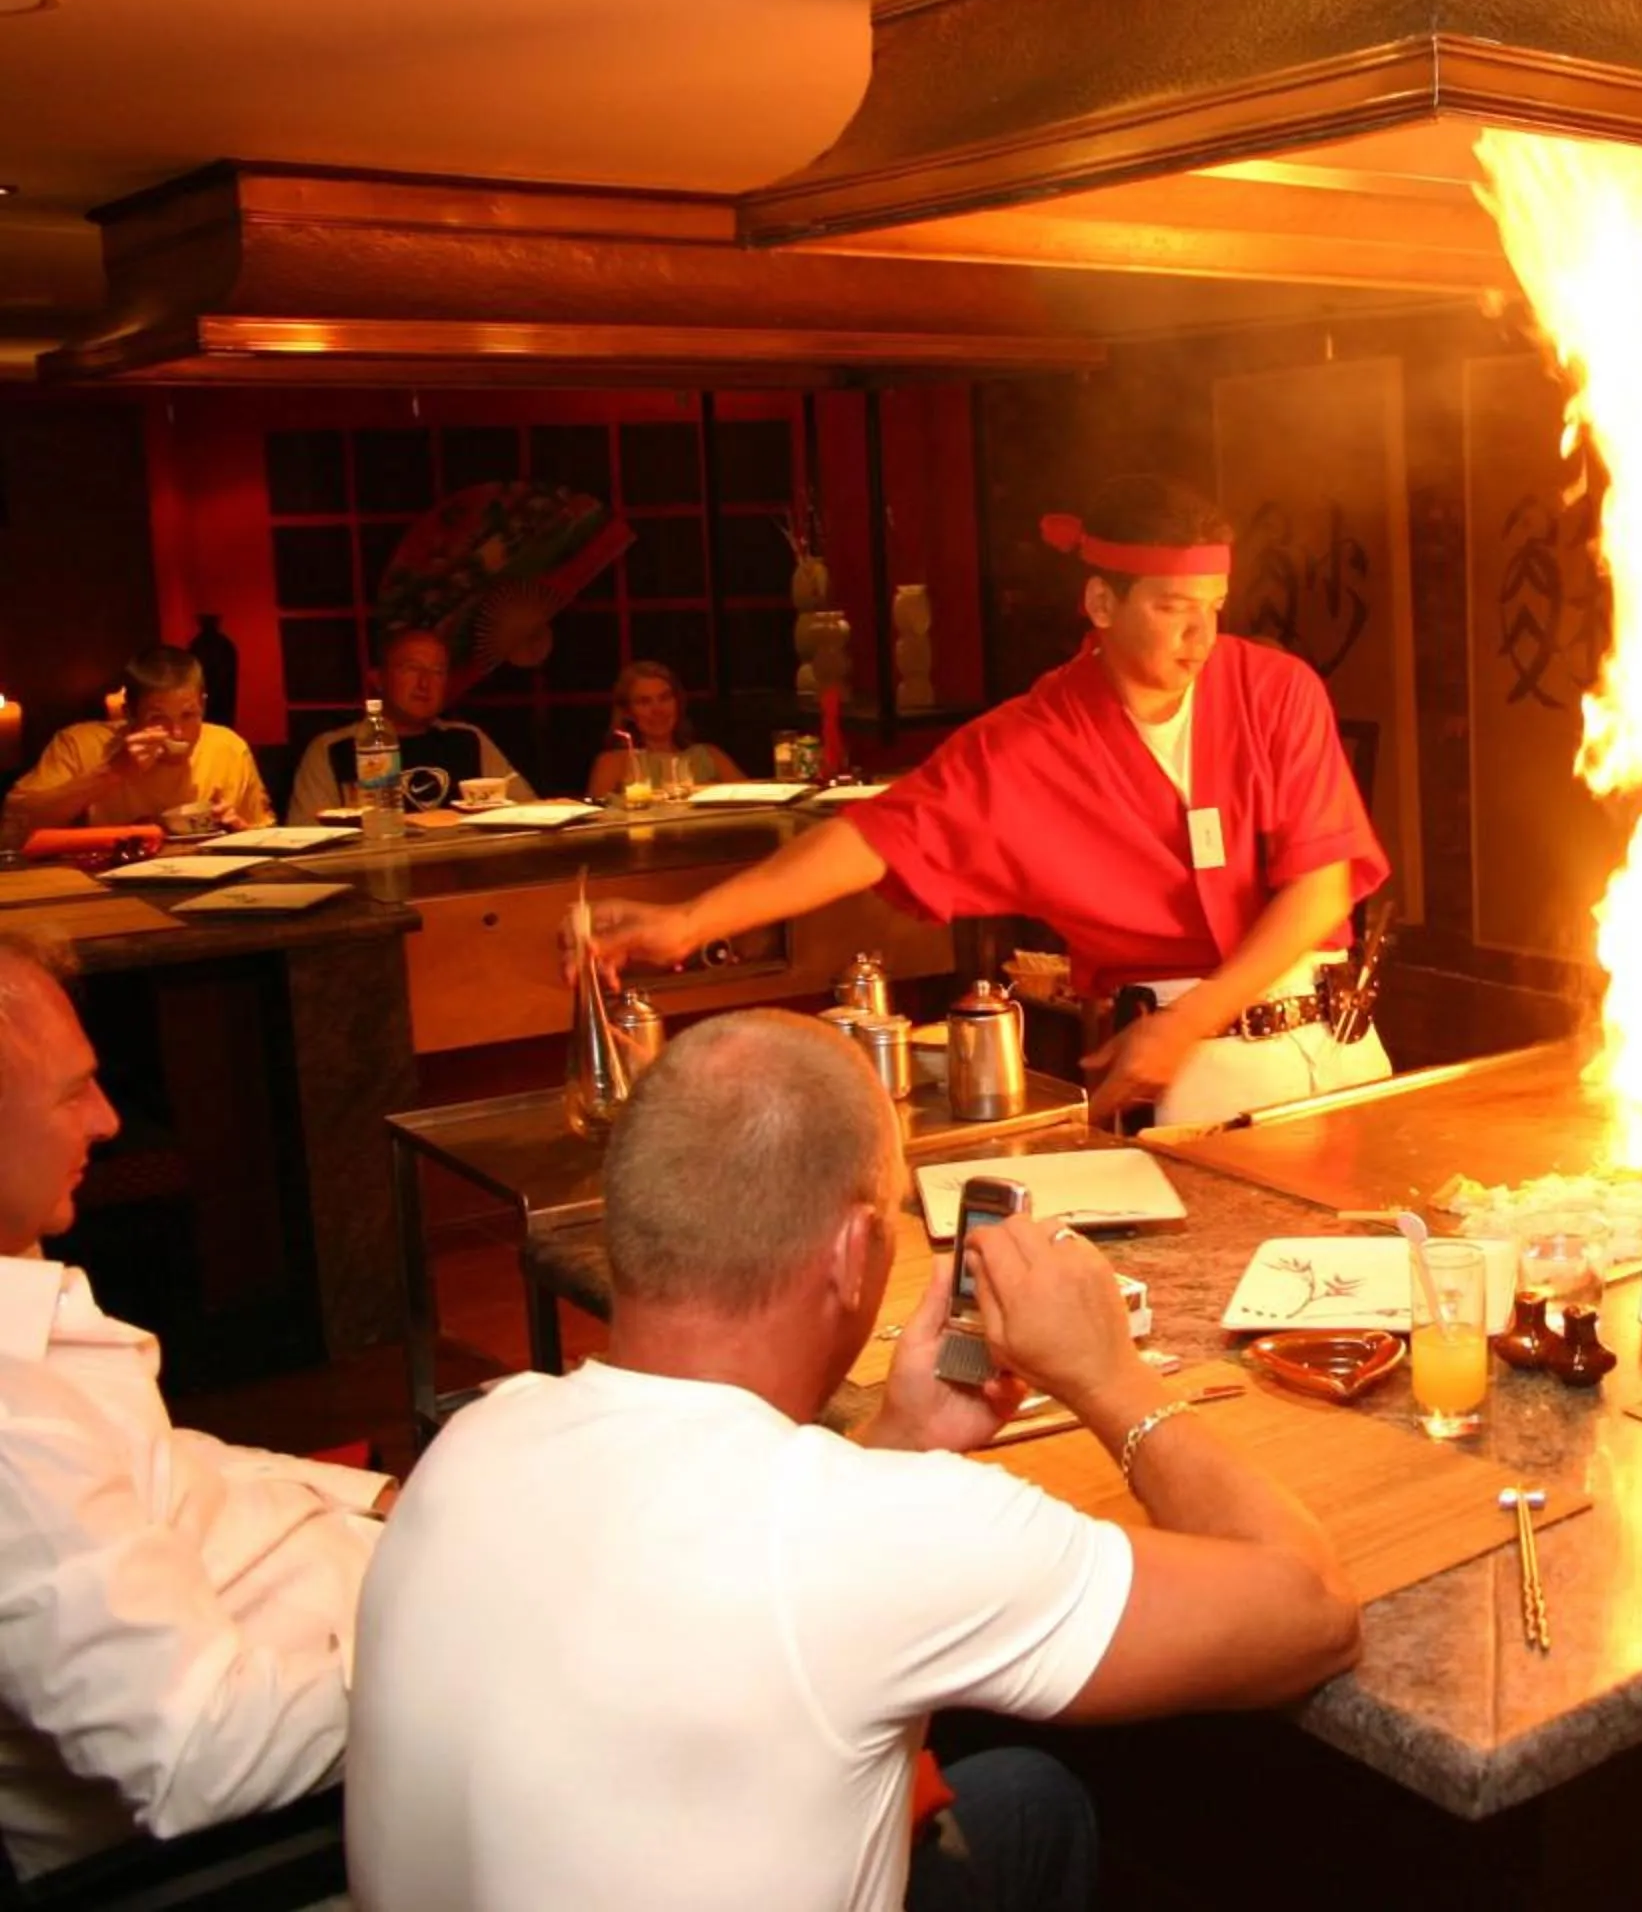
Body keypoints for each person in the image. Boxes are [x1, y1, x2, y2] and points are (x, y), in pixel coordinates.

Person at [344, 1008, 1360, 1912]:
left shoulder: (475, 1437)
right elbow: (1310, 1612)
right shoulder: (879, 1535)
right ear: (850, 1251)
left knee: (1024, 1800)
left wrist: (898, 1439)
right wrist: (1109, 1375)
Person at [586, 476, 1392, 1126]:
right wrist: (688, 922)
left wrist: (1193, 1020)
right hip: (1177, 1071)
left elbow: (1321, 883)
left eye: (1214, 607)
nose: (1201, 638)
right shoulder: (1030, 740)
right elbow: (875, 836)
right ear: (1103, 605)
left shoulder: (1275, 690)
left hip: (1338, 1039)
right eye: (1173, 610)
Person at [0, 929, 392, 1884]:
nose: (107, 1120)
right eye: (70, 1093)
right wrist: (474, 1633)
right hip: (292, 1826)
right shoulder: (13, 1432)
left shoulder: (21, 1294)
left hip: (362, 1595)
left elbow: (161, 1463)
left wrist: (378, 1502)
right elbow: (197, 1758)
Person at [0, 645, 273, 845]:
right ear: (130, 713)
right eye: (157, 718)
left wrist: (240, 832)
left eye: (188, 715)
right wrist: (113, 771)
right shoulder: (79, 744)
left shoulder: (228, 747)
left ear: (203, 704)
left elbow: (264, 838)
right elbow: (15, 829)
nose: (176, 732)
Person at [284, 625, 532, 824]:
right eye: (412, 668)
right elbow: (306, 840)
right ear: (378, 679)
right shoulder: (333, 749)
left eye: (437, 671)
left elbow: (527, 811)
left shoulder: (468, 739)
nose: (425, 683)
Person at [585, 660, 743, 799]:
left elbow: (754, 803)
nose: (658, 710)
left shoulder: (710, 756)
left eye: (665, 698)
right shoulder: (614, 763)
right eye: (644, 702)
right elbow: (594, 823)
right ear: (628, 712)